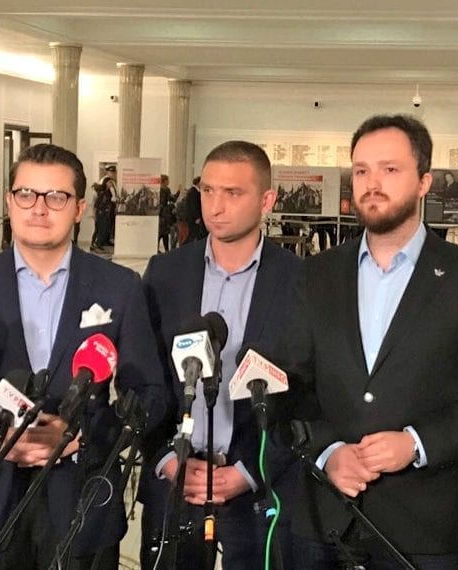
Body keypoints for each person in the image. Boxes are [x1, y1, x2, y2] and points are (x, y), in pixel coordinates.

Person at [282, 114, 458, 569]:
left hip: (425, 527)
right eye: (361, 170)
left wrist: (417, 443)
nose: (372, 183)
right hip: (323, 517)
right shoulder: (317, 273)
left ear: (424, 182)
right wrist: (329, 451)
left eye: (390, 169)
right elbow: (290, 382)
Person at [0, 144, 169, 569]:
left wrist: (78, 436)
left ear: (80, 208)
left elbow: (150, 395)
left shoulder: (119, 286)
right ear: (9, 201)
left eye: (56, 197)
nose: (39, 208)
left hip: (82, 502)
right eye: (26, 194)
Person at [139, 141, 301, 568]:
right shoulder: (165, 273)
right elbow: (143, 377)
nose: (215, 206)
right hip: (176, 486)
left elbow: (309, 391)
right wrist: (166, 459)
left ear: (267, 200)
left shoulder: (299, 281)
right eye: (208, 190)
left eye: (232, 193)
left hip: (258, 488)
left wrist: (249, 471)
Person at [157, 174, 178, 252]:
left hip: (159, 213)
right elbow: (173, 199)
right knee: (165, 233)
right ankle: (166, 250)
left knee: (160, 233)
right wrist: (178, 191)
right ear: (165, 181)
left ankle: (157, 248)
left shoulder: (158, 189)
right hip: (165, 214)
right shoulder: (166, 189)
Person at [184, 176, 206, 243]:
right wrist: (197, 217)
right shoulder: (193, 192)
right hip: (193, 218)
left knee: (194, 234)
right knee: (193, 234)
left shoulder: (194, 191)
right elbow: (193, 205)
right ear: (198, 183)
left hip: (193, 218)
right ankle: (186, 246)